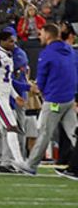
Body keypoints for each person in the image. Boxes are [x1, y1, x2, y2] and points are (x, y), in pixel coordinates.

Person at [23, 23, 77, 176]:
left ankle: (30, 165)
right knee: (74, 133)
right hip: (69, 98)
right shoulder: (70, 51)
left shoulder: (47, 53)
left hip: (54, 99)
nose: (39, 36)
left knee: (45, 133)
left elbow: (41, 80)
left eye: (41, 33)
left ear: (47, 35)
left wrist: (39, 89)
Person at [0, 30, 28, 174]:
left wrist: (15, 97)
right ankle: (19, 162)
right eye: (10, 41)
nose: (13, 44)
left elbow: (6, 82)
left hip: (4, 95)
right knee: (12, 127)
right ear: (1, 41)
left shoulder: (7, 55)